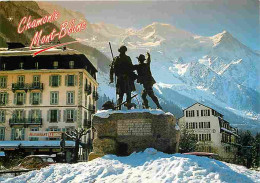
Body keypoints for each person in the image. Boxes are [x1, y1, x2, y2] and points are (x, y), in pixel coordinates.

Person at [110, 45, 136, 110]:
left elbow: (112, 69)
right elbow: (131, 68)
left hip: (120, 79)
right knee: (128, 93)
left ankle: (119, 108)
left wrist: (111, 79)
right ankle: (128, 107)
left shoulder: (116, 59)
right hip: (127, 79)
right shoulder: (127, 58)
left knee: (121, 94)